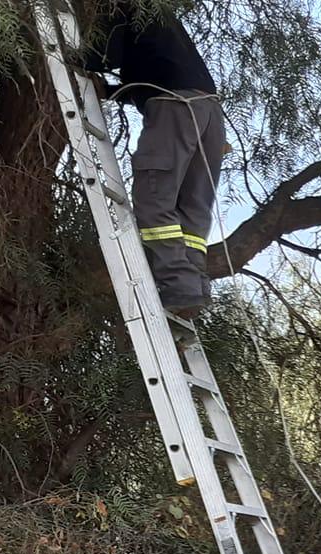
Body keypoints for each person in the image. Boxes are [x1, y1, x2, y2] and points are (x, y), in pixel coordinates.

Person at [81, 0, 225, 317]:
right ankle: (193, 286)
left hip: (175, 108)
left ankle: (177, 285)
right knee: (192, 210)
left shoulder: (121, 6)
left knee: (154, 201)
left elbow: (103, 55)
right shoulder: (158, 15)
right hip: (209, 112)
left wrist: (73, 57)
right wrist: (111, 91)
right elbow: (154, 69)